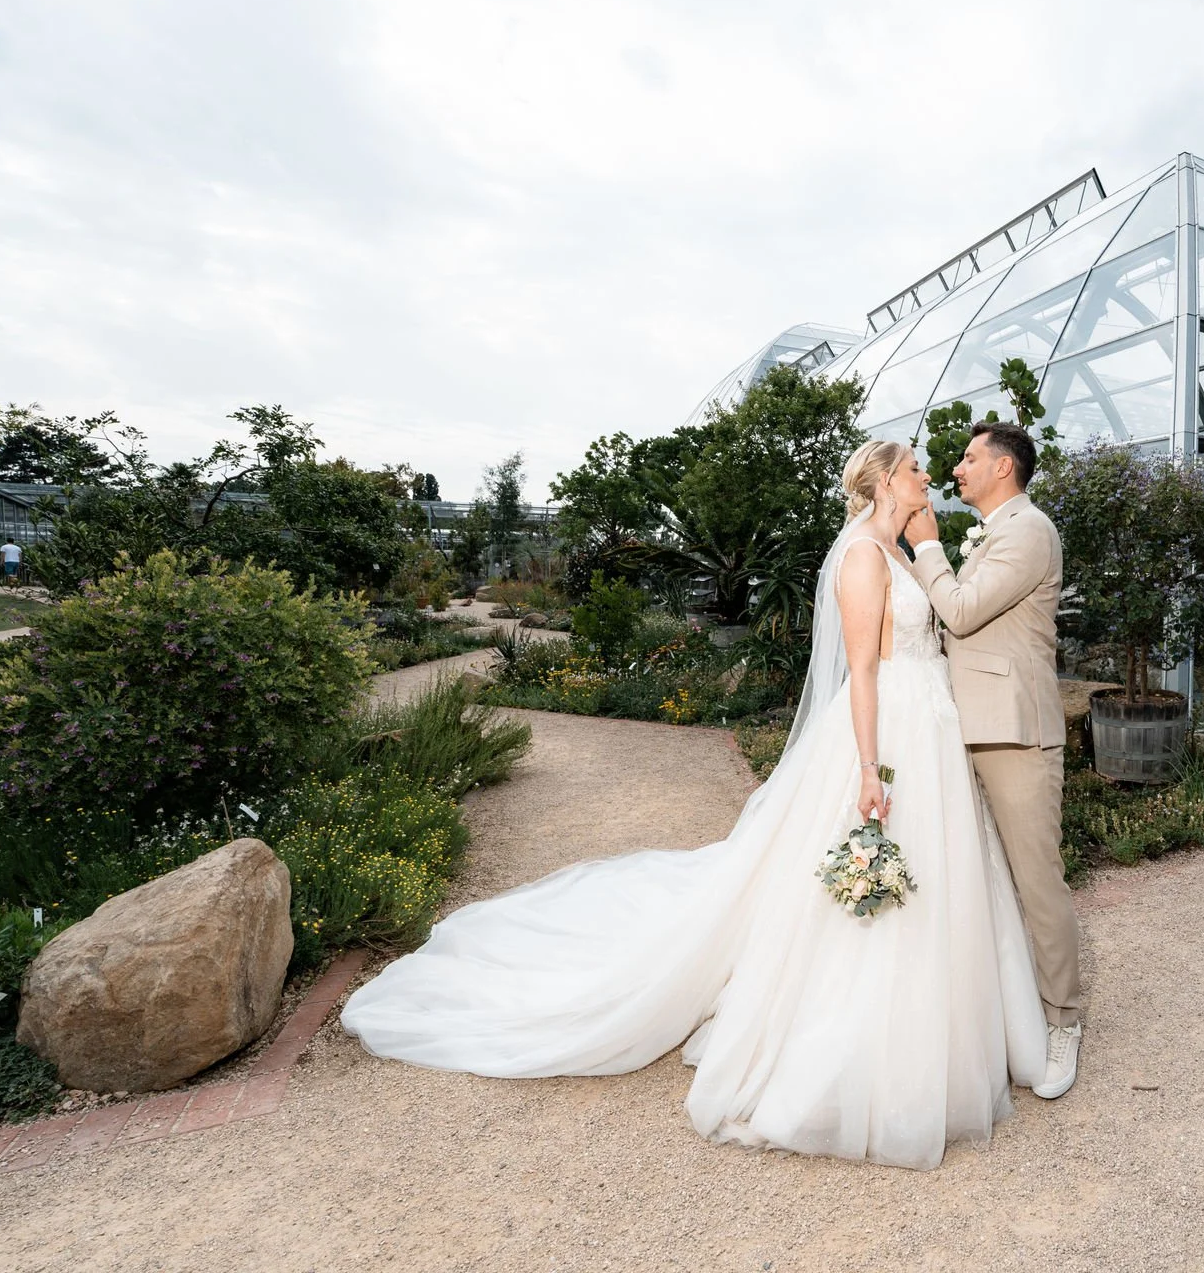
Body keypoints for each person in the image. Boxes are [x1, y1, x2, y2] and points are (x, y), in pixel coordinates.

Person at [342, 440, 1046, 1170]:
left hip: (931, 724)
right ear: (881, 483)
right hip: (892, 729)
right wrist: (870, 769)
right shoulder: (865, 557)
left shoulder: (903, 550)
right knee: (864, 891)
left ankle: (940, 1037)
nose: (928, 476)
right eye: (914, 469)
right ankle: (857, 1050)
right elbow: (862, 671)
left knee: (942, 878)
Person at [906, 421, 1083, 1099]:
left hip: (1013, 731)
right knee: (974, 881)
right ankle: (1004, 1020)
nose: (956, 468)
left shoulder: (1028, 531)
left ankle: (1064, 1021)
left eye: (969, 457)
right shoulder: (998, 531)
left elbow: (960, 609)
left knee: (1037, 883)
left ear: (1004, 468)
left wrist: (926, 547)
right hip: (958, 726)